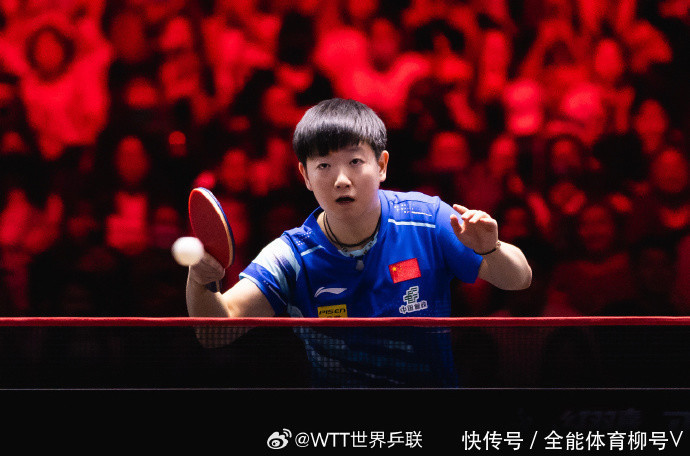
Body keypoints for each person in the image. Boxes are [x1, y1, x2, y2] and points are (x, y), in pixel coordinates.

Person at [186, 98, 532, 387]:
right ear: (305, 176)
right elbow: (215, 332)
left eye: (355, 161)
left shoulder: (427, 220)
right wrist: (200, 279)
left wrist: (492, 248)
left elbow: (519, 278)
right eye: (324, 165)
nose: (341, 179)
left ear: (381, 165)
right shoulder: (292, 255)